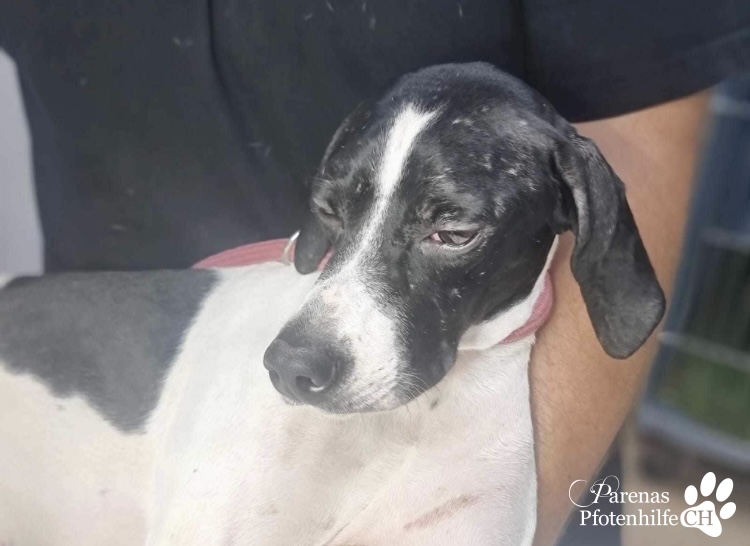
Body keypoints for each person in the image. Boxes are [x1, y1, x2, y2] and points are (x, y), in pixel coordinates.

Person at [1, 1, 749, 544]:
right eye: (337, 210)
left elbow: (638, 137)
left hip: (547, 404)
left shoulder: (558, 173)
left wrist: (526, 506)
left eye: (449, 230)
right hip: (97, 375)